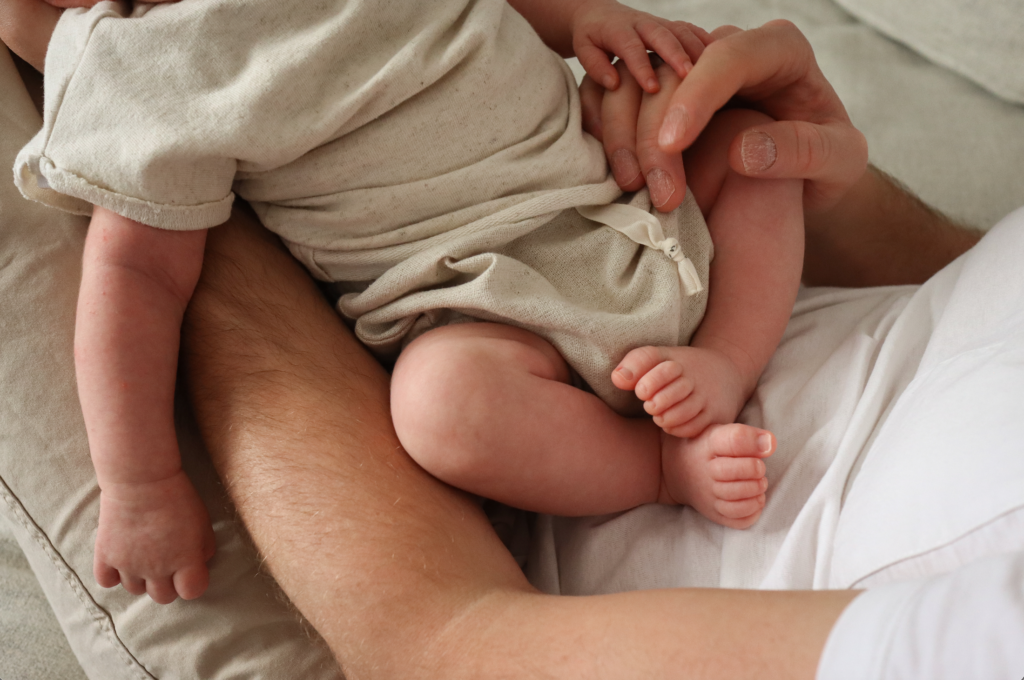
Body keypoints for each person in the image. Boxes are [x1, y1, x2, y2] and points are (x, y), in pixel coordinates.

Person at [7, 0, 812, 604]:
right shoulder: (141, 66)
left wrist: (586, 18)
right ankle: (661, 468)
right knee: (442, 406)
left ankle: (726, 359)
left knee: (753, 146)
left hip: (625, 200)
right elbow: (136, 279)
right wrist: (138, 481)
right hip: (483, 308)